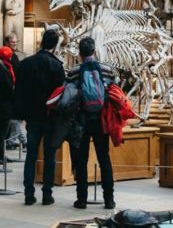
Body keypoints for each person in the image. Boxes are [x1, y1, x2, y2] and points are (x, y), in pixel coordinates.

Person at [14, 27, 65, 206]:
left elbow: (19, 90)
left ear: (42, 42)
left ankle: (29, 193)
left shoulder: (27, 63)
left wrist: (21, 113)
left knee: (31, 155)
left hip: (33, 117)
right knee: (49, 156)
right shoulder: (57, 66)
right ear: (55, 45)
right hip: (49, 116)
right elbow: (60, 94)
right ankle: (47, 194)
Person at [67, 36, 117, 211]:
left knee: (81, 160)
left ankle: (81, 199)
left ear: (79, 54)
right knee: (104, 159)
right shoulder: (107, 70)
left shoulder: (73, 72)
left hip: (82, 121)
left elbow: (69, 96)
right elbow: (114, 91)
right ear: (94, 51)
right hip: (101, 121)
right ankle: (109, 199)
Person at [3, 33, 26, 149]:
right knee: (16, 117)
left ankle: (21, 140)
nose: (15, 44)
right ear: (7, 43)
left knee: (16, 117)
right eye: (13, 42)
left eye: (16, 42)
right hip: (12, 91)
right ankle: (13, 140)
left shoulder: (13, 55)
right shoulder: (7, 55)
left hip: (15, 89)